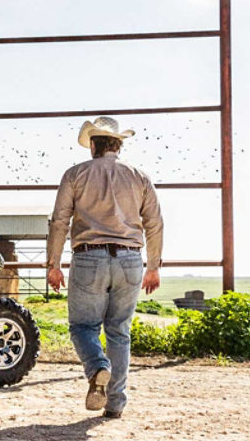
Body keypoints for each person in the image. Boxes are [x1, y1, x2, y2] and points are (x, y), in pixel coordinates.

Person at [45, 116, 163, 418]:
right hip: (131, 259)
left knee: (83, 326)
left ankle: (98, 367)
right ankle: (115, 404)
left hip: (89, 257)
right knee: (119, 331)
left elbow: (60, 221)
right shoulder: (140, 176)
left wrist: (53, 264)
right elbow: (154, 223)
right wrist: (154, 266)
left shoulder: (75, 174)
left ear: (94, 145)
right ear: (118, 144)